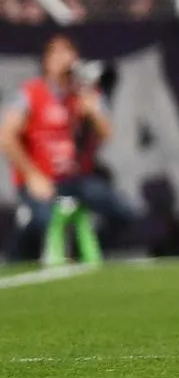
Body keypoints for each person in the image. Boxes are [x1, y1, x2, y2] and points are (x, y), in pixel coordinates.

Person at [0, 34, 138, 260]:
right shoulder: (31, 93)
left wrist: (93, 112)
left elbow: (107, 133)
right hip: (41, 180)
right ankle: (15, 255)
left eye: (68, 52)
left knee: (125, 212)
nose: (63, 59)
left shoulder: (84, 93)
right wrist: (32, 176)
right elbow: (6, 137)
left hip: (75, 179)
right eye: (57, 53)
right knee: (47, 220)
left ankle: (86, 249)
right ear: (46, 61)